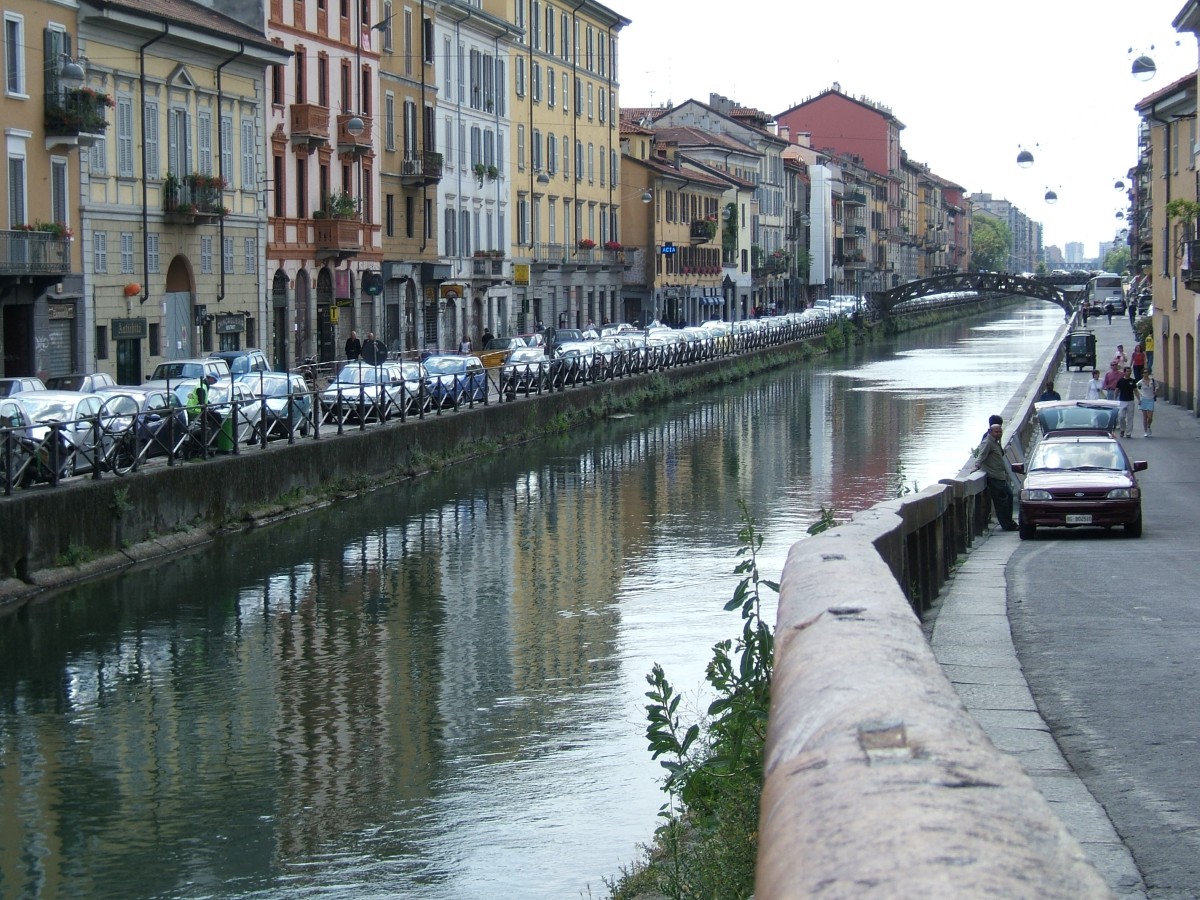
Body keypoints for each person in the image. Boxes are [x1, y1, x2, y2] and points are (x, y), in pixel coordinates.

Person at [974, 418, 1017, 531]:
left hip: (1000, 476)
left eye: (1000, 431)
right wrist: (976, 466)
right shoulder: (987, 442)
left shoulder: (995, 442)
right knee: (1002, 502)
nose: (998, 433)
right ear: (990, 432)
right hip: (994, 476)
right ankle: (1007, 524)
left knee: (1009, 496)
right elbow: (981, 455)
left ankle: (1009, 522)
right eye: (996, 432)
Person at [1115, 366, 1140, 439]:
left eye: (1130, 371)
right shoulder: (1121, 381)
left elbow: (1135, 390)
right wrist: (1115, 399)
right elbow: (1117, 390)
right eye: (1127, 371)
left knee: (1130, 417)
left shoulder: (1132, 381)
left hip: (1130, 401)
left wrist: (1139, 399)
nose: (1129, 373)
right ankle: (1122, 429)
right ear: (1124, 372)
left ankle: (1128, 432)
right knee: (1121, 416)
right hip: (1122, 401)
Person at [1138, 370, 1158, 436]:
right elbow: (1136, 388)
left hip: (1151, 399)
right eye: (1144, 372)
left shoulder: (1152, 381)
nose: (1146, 373)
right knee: (1145, 417)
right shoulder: (1141, 382)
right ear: (1142, 374)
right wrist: (1140, 394)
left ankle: (1149, 426)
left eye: (1147, 372)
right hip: (1143, 399)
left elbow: (1157, 386)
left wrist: (1155, 391)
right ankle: (1145, 431)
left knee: (1150, 417)